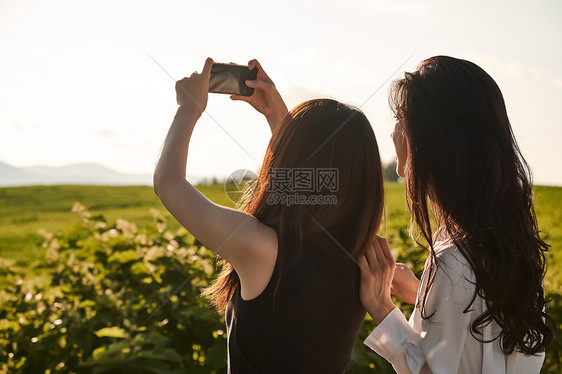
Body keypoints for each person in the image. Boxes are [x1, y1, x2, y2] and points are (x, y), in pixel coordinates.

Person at [153, 58, 385, 373]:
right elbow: (308, 193)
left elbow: (168, 183)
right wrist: (277, 116)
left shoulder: (261, 249)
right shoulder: (363, 259)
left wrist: (188, 109)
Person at [358, 56, 555, 374]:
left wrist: (381, 308)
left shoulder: (453, 263)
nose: (394, 132)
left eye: (400, 120)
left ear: (429, 141)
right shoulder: (514, 246)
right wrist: (421, 294)